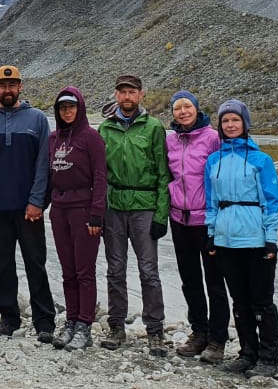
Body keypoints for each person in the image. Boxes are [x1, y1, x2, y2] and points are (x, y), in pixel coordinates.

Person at [0, 65, 56, 342]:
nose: (8, 90)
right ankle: (9, 318)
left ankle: (45, 321)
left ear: (20, 87)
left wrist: (37, 201)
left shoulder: (37, 120)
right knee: (2, 266)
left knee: (36, 264)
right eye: (2, 86)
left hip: (28, 210)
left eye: (13, 85)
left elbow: (44, 165)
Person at [205, 99, 278, 378]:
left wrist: (270, 239)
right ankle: (248, 353)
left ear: (245, 124)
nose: (230, 125)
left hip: (255, 239)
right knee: (239, 301)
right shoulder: (214, 160)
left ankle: (269, 356)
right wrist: (211, 235)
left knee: (261, 301)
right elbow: (211, 202)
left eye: (235, 120)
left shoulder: (262, 160)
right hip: (226, 240)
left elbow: (272, 202)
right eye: (225, 121)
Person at [97, 74, 171, 356]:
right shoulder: (106, 129)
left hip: (144, 205)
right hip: (114, 206)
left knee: (148, 271)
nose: (126, 97)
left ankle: (155, 330)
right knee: (115, 270)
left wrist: (161, 215)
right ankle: (117, 326)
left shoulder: (153, 128)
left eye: (131, 92)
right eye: (122, 92)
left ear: (141, 95)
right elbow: (99, 174)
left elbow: (164, 174)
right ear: (116, 96)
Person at [165, 90, 227, 363]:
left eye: (187, 106)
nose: (183, 112)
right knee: (190, 280)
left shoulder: (213, 138)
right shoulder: (171, 140)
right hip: (179, 219)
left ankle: (218, 339)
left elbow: (223, 176)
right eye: (178, 108)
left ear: (197, 109)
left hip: (206, 220)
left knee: (215, 281)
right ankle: (198, 332)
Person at [46, 86, 106, 351]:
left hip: (83, 208)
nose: (67, 111)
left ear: (79, 108)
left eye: (71, 106)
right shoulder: (52, 139)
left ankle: (85, 325)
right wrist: (40, 205)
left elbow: (101, 178)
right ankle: (70, 320)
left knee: (84, 271)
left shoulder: (91, 137)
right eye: (62, 107)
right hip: (59, 209)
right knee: (67, 270)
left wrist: (96, 215)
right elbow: (49, 176)